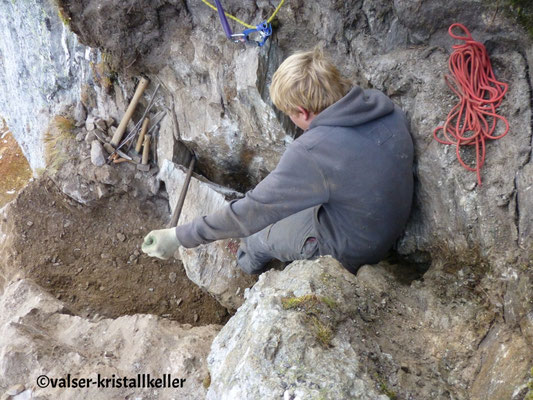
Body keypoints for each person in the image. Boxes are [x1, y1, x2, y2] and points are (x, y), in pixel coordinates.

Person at [142, 48, 414, 275]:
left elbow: (251, 213)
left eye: (290, 115)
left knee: (258, 235)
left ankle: (248, 273)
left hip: (354, 249)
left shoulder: (313, 152)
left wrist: (178, 237)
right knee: (286, 207)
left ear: (303, 112)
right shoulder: (381, 106)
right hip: (383, 223)